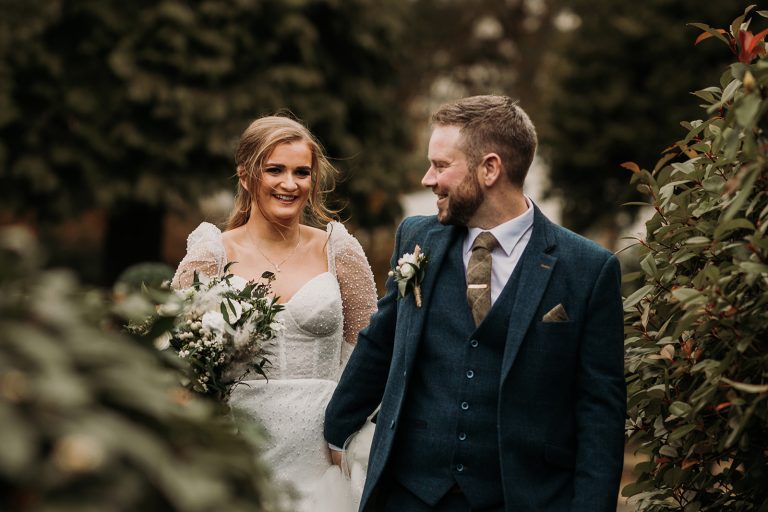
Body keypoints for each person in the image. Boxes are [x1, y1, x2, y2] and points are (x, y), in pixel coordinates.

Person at [324, 95, 625, 512]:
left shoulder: (587, 269)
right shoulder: (417, 237)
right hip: (411, 495)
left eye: (440, 165)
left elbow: (600, 410)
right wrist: (334, 432)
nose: (428, 179)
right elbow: (381, 342)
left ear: (490, 168)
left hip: (523, 497)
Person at [171, 115, 378, 511]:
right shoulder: (211, 256)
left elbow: (370, 357)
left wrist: (350, 438)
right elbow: (178, 359)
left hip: (323, 452)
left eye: (302, 172)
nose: (290, 184)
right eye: (275, 170)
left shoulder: (339, 252)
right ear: (246, 176)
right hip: (239, 446)